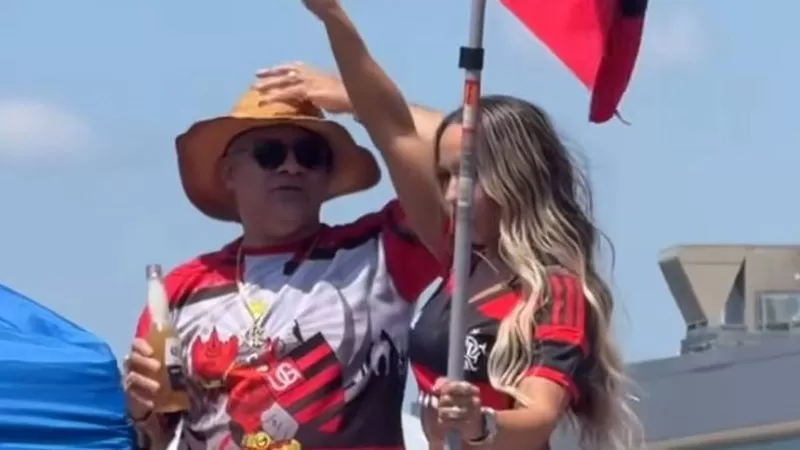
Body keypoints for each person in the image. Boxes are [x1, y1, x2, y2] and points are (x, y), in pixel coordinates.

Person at [280, 1, 643, 449]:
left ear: (517, 178)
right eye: (445, 177)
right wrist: (335, 19)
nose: (452, 194)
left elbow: (540, 417)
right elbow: (394, 129)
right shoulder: (457, 255)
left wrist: (480, 422)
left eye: (469, 175)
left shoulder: (554, 291)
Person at [122, 89, 445, 447]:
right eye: (270, 154)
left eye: (309, 156)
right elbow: (148, 438)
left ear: (326, 175)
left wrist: (358, 98)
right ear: (230, 172)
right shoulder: (180, 291)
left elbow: (474, 156)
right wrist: (140, 409)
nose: (291, 166)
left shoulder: (380, 251)